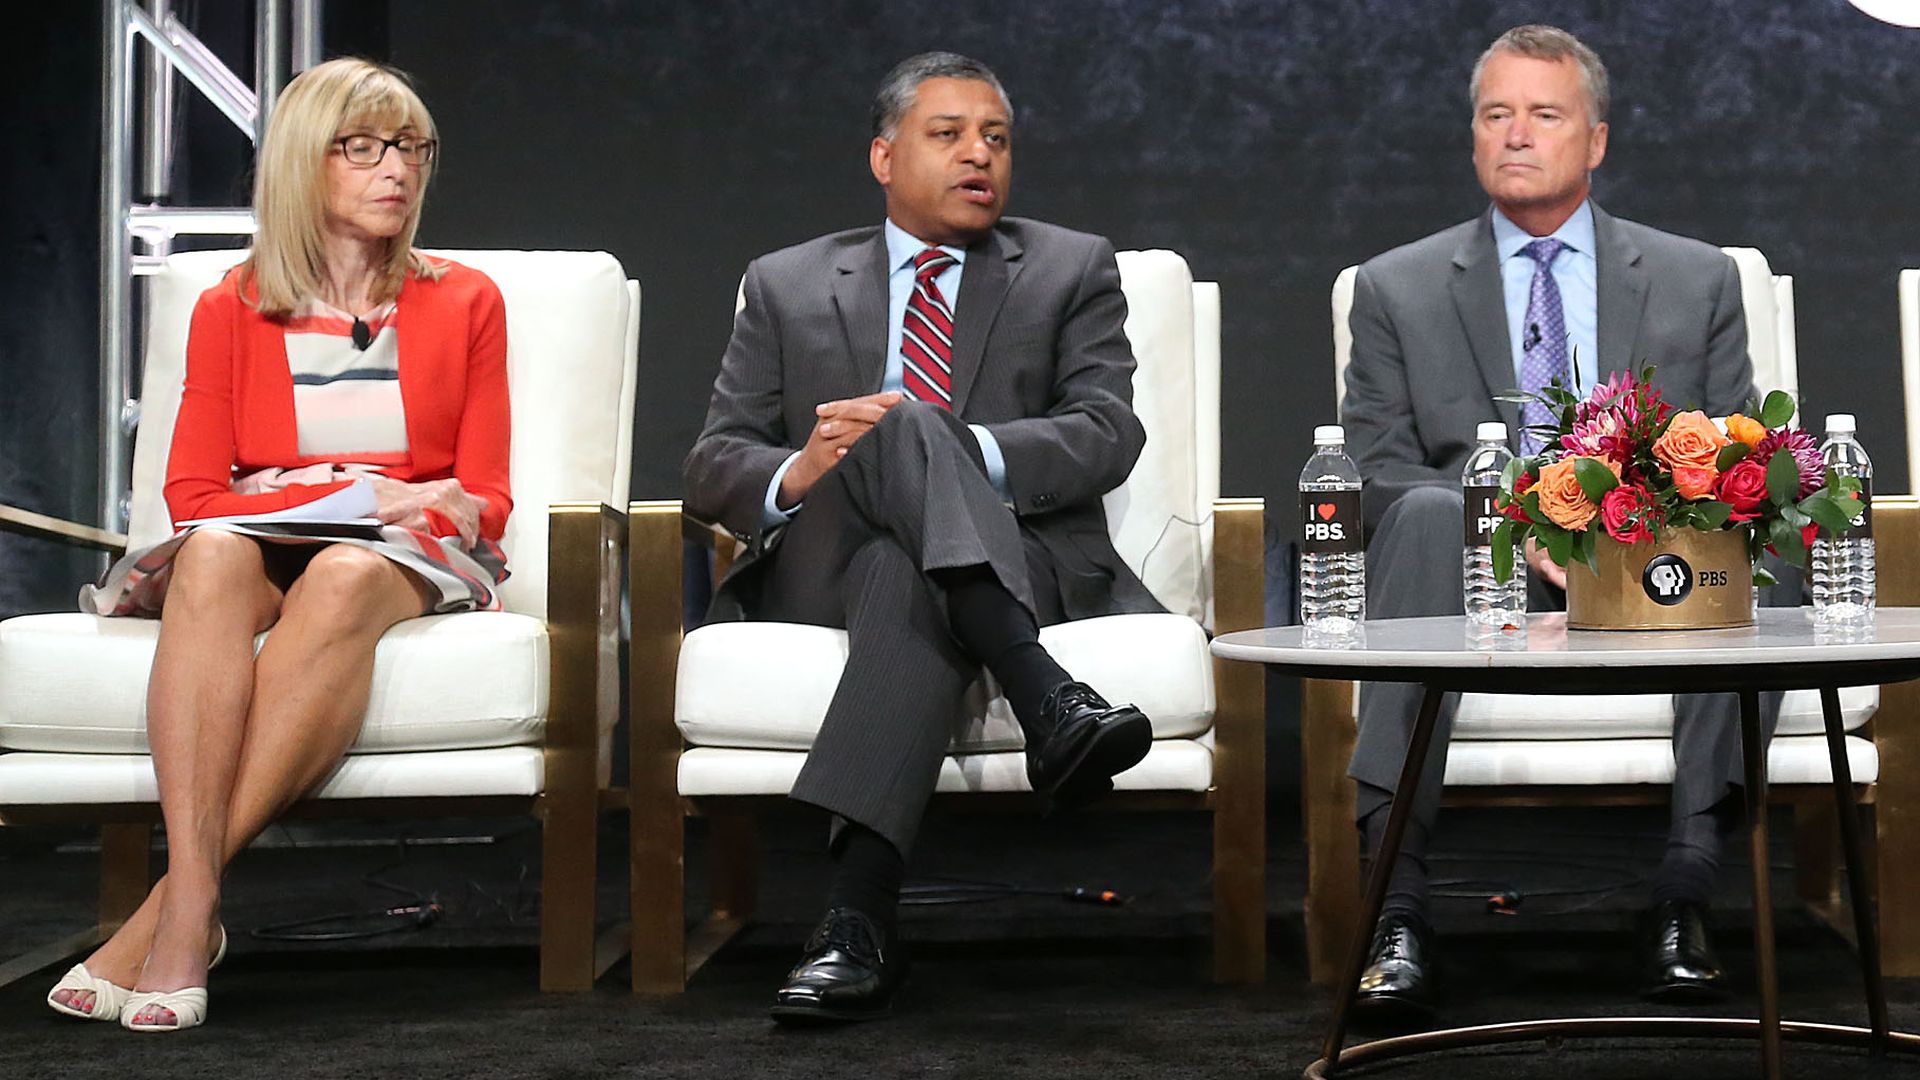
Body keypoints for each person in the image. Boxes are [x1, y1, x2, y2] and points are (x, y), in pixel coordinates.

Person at [684, 51, 1162, 1024]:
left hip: (1011, 549)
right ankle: (1048, 698)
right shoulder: (786, 282)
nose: (978, 155)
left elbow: (1109, 431)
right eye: (948, 135)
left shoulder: (1070, 265)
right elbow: (712, 459)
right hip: (818, 556)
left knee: (908, 525)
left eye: (996, 138)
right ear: (883, 155)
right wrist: (805, 467)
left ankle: (855, 923)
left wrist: (950, 445)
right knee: (895, 432)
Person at [45, 58, 510, 1033]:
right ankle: (192, 908)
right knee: (213, 552)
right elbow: (196, 496)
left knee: (342, 573)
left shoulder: (465, 299)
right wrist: (371, 487)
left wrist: (370, 502)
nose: (399, 170)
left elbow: (483, 502)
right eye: (366, 148)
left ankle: (175, 917)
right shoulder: (232, 306)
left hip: (393, 560)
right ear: (306, 163)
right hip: (252, 546)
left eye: (413, 148)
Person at [1340, 25, 1774, 1022]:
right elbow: (1375, 465)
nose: (1517, 135)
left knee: (1748, 548)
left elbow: (1731, 448)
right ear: (1474, 137)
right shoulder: (1397, 287)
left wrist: (1613, 534)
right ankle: (1396, 911)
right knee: (1407, 514)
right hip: (1464, 564)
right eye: (1497, 115)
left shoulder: (1695, 277)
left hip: (1645, 565)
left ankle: (1684, 895)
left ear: (1597, 140)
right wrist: (1518, 519)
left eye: (1544, 114)